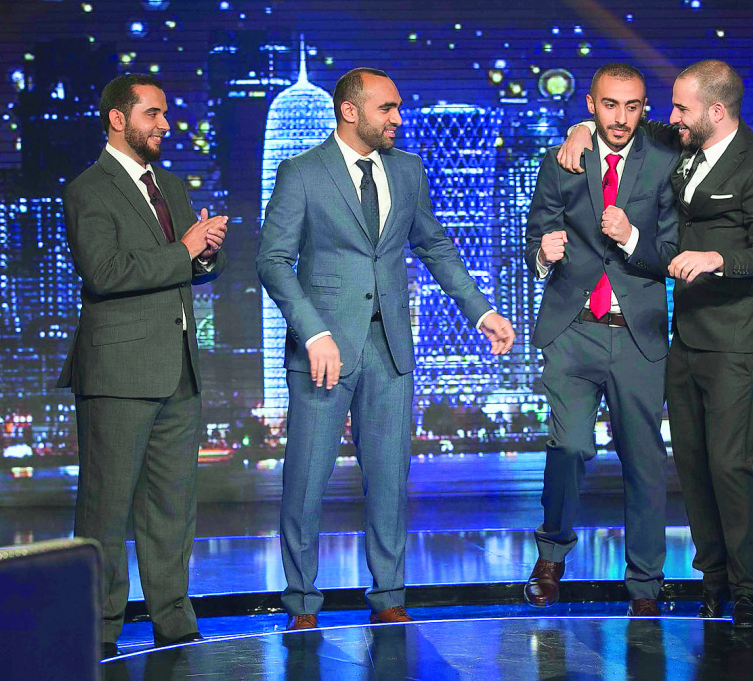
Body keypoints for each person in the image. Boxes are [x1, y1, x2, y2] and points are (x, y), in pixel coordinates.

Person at [256, 67, 516, 631]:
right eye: (388, 108)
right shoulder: (301, 173)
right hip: (323, 348)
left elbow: (437, 247)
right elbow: (272, 260)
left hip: (390, 346)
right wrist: (313, 330)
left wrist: (483, 311)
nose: (398, 118)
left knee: (390, 479)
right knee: (305, 479)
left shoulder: (407, 170)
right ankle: (302, 603)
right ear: (351, 111)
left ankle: (390, 594)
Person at [555, 60, 753, 628]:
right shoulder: (682, 140)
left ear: (716, 111)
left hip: (736, 337)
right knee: (691, 462)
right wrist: (579, 130)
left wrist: (716, 259)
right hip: (682, 335)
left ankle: (747, 587)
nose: (671, 116)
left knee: (728, 463)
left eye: (681, 108)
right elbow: (622, 125)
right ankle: (712, 580)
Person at [57, 73, 228, 657]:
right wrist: (184, 249)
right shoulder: (89, 189)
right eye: (153, 114)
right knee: (104, 509)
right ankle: (98, 627)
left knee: (172, 508)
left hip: (177, 369)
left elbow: (185, 268)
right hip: (118, 373)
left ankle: (173, 620)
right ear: (117, 119)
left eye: (165, 114)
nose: (164, 124)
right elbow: (105, 273)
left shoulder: (172, 186)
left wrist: (205, 255)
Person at [523, 63, 679, 616]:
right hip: (572, 329)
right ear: (590, 104)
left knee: (644, 461)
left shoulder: (664, 163)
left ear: (644, 108)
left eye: (632, 106)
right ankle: (552, 551)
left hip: (637, 334)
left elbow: (671, 251)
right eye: (610, 105)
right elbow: (535, 232)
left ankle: (644, 586)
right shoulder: (564, 157)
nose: (621, 117)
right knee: (568, 447)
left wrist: (632, 236)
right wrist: (543, 254)